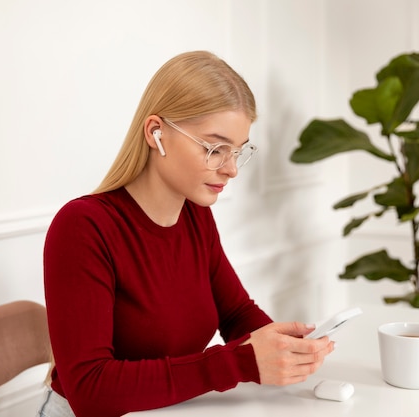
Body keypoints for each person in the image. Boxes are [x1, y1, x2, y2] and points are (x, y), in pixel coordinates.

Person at [38, 50, 334, 417]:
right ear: (155, 132)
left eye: (238, 152)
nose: (231, 170)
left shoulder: (195, 214)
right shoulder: (83, 226)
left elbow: (236, 313)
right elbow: (90, 390)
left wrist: (283, 349)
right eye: (214, 148)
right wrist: (239, 362)